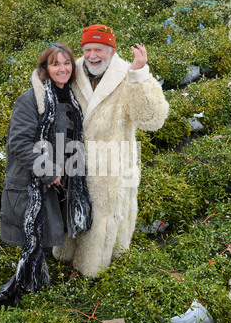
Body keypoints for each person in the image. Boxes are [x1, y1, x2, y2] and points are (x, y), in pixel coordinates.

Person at [53, 24, 169, 278]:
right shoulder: (71, 71)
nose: (93, 55)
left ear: (111, 50)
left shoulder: (128, 74)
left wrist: (139, 75)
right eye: (88, 49)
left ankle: (93, 271)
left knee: (106, 216)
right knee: (72, 207)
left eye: (99, 49)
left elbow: (153, 119)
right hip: (74, 158)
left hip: (114, 163)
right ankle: (67, 259)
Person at [0, 43, 92, 303]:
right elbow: (19, 143)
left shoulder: (71, 98)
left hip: (61, 181)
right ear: (45, 68)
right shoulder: (32, 99)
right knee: (34, 240)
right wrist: (49, 172)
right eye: (55, 64)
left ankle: (38, 290)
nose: (62, 68)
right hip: (35, 181)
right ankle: (15, 292)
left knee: (47, 238)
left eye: (67, 63)